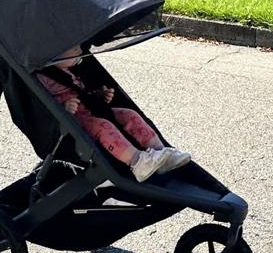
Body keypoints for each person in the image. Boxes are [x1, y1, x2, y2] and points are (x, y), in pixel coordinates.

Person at [36, 46, 191, 182]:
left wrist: (99, 96)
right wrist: (64, 108)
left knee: (129, 114)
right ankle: (137, 162)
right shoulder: (43, 78)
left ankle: (160, 152)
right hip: (77, 121)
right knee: (104, 126)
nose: (79, 49)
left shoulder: (69, 71)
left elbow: (82, 94)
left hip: (92, 111)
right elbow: (43, 106)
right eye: (72, 47)